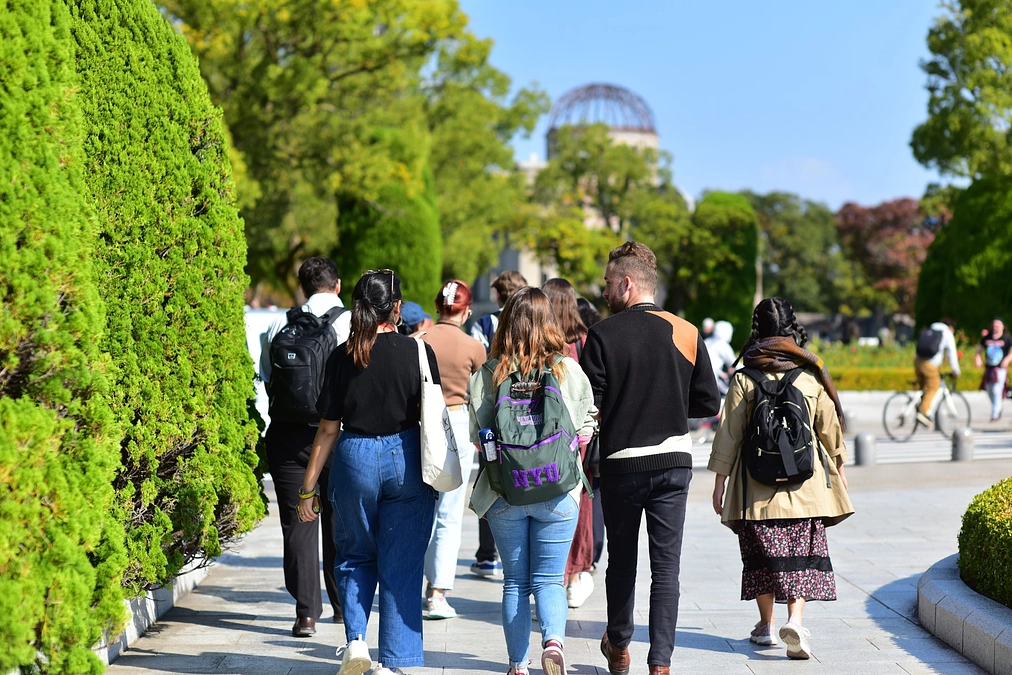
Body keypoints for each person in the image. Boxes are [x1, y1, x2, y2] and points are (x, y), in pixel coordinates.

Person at [579, 242, 721, 675]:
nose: (603, 292)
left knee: (621, 562)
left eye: (607, 283)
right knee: (667, 569)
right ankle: (660, 664)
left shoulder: (603, 334)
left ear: (626, 283)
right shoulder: (687, 331)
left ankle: (619, 646)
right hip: (675, 462)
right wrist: (669, 402)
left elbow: (589, 404)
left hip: (622, 463)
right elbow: (707, 402)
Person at [299, 270, 439, 675]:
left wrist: (308, 490)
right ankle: (394, 663)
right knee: (402, 561)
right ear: (396, 308)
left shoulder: (343, 355)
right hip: (406, 455)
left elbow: (327, 428)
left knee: (355, 555)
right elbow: (429, 414)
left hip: (353, 456)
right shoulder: (417, 351)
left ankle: (356, 641)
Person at [708, 297, 854, 660]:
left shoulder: (745, 376)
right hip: (805, 486)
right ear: (793, 326)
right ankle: (796, 620)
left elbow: (730, 432)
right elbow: (829, 428)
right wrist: (840, 468)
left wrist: (719, 481)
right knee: (802, 555)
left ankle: (766, 626)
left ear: (757, 328)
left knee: (761, 558)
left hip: (755, 489)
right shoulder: (810, 374)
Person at [469, 286, 596, 675]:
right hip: (557, 489)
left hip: (505, 491)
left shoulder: (489, 374)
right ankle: (554, 642)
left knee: (514, 584)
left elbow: (479, 435)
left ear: (506, 323)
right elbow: (587, 426)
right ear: (548, 323)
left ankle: (517, 665)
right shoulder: (566, 368)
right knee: (549, 580)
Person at [259, 256, 350, 637]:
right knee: (338, 520)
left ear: (302, 287)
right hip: (336, 433)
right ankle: (343, 607)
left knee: (297, 524)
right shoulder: (349, 323)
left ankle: (305, 614)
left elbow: (268, 377)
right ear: (338, 285)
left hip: (287, 434)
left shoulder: (280, 322)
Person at [420, 280, 486, 619]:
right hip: (457, 424)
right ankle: (438, 592)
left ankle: (412, 582)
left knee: (418, 510)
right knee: (448, 512)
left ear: (437, 306)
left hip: (420, 425)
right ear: (467, 309)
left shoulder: (417, 340)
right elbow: (482, 396)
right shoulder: (474, 347)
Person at [470, 270, 528, 578]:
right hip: (527, 416)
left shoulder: (485, 324)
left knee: (490, 478)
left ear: (498, 294)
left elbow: (479, 365)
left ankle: (487, 554)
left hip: (494, 410)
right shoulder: (533, 321)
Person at [542, 278, 595, 609]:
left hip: (539, 434)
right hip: (577, 436)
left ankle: (549, 579)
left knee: (542, 499)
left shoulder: (538, 342)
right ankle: (574, 576)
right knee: (577, 502)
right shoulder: (584, 341)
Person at [576, 298, 606, 572]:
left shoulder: (576, 344)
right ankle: (593, 552)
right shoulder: (597, 340)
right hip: (597, 432)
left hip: (581, 432)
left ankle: (582, 554)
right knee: (594, 492)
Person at [914, 318, 961, 427]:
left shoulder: (928, 330)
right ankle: (924, 412)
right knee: (933, 387)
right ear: (951, 327)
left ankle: (920, 407)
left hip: (917, 362)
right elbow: (952, 354)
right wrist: (956, 371)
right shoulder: (946, 333)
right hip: (930, 364)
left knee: (924, 388)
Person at [975, 317, 1012, 421]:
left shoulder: (1007, 338)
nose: (995, 326)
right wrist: (977, 358)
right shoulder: (987, 337)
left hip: (1000, 368)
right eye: (994, 324)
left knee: (996, 389)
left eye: (998, 325)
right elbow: (979, 349)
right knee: (989, 389)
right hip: (989, 368)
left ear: (1003, 327)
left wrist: (1007, 360)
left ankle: (995, 413)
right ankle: (998, 407)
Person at [705, 320, 737, 397]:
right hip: (714, 381)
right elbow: (734, 364)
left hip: (703, 378)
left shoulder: (707, 341)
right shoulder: (722, 345)